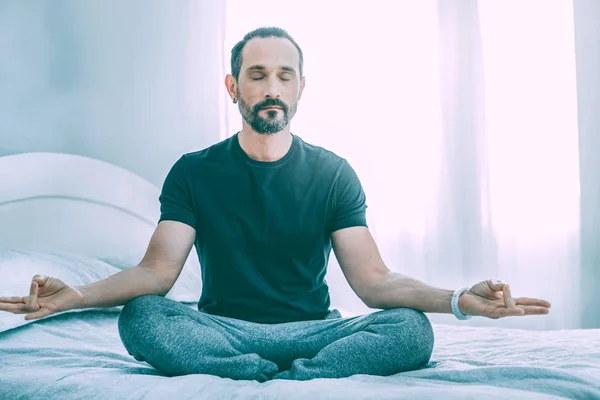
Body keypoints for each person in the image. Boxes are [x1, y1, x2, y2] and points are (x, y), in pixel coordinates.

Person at [0, 27, 551, 382]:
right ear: (232, 86)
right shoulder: (194, 172)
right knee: (142, 319)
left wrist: (457, 299)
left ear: (300, 87)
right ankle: (272, 371)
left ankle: (290, 374)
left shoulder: (333, 173)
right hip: (222, 329)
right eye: (257, 74)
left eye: (283, 76)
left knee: (410, 329)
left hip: (316, 329)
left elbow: (374, 281)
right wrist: (74, 298)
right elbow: (156, 273)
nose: (271, 87)